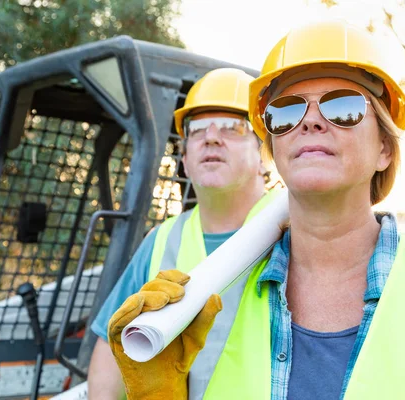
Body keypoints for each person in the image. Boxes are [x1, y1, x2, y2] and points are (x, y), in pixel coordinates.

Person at [107, 19, 405, 399]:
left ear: (384, 149)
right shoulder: (216, 291)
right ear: (274, 149)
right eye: (286, 111)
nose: (309, 120)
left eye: (342, 106)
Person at [87, 67, 278, 399]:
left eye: (233, 127)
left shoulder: (295, 227)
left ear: (265, 155)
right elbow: (110, 346)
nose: (212, 137)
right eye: (197, 129)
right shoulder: (160, 241)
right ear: (185, 159)